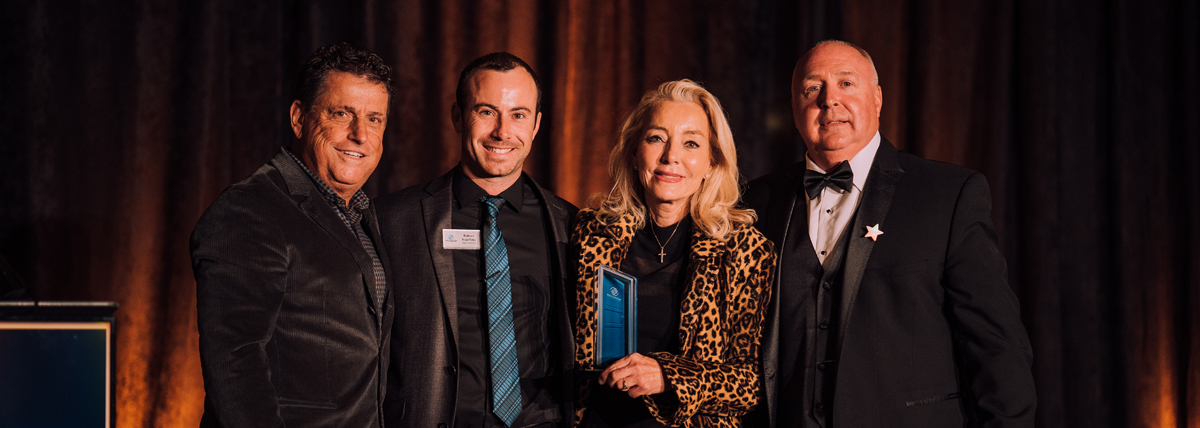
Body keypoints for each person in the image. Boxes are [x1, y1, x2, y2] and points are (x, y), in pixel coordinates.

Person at [744, 40, 1036, 428]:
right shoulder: (754, 204)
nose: (830, 100)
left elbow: (998, 348)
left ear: (877, 98)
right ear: (795, 106)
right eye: (813, 88)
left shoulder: (947, 194)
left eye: (846, 83)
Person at [191, 42, 395, 427]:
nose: (359, 134)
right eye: (341, 114)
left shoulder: (364, 215)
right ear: (299, 118)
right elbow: (236, 364)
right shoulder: (249, 210)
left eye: (375, 119)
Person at [376, 52, 577, 428]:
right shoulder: (393, 220)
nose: (503, 131)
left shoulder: (571, 225)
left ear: (536, 125)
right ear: (457, 117)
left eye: (518, 115)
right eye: (486, 112)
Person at [571, 79, 776, 428]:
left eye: (691, 143)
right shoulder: (588, 234)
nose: (671, 156)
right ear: (635, 152)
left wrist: (668, 376)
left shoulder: (745, 250)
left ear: (712, 162)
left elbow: (754, 382)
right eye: (656, 138)